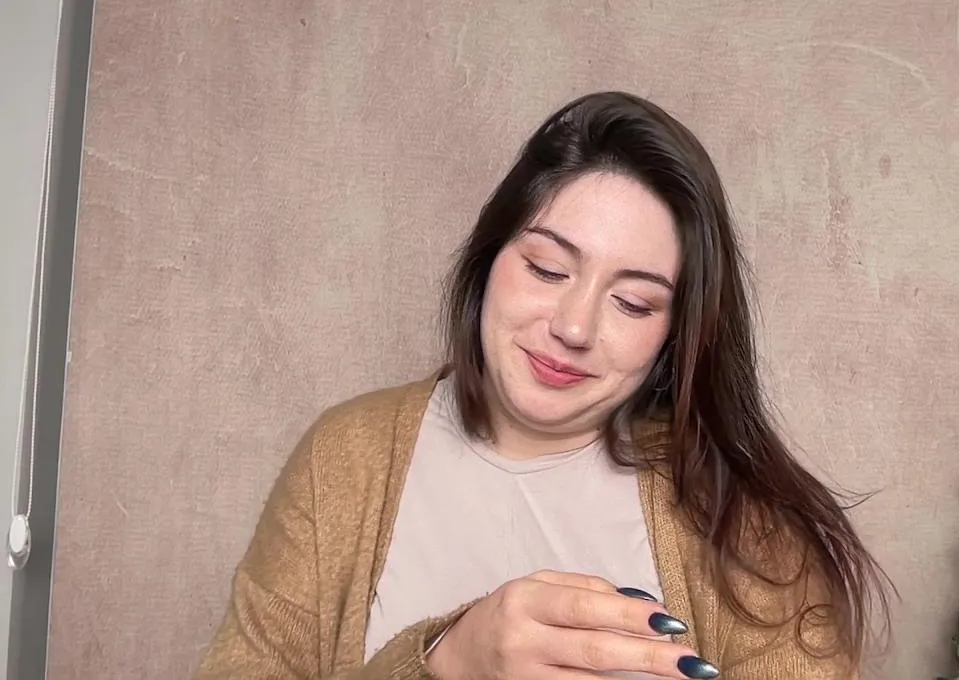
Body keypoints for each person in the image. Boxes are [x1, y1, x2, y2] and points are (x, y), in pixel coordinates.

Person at [195, 91, 891, 679]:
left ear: (676, 335)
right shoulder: (345, 459)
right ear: (489, 257)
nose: (574, 326)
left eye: (634, 303)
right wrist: (443, 661)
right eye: (547, 269)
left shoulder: (742, 516)